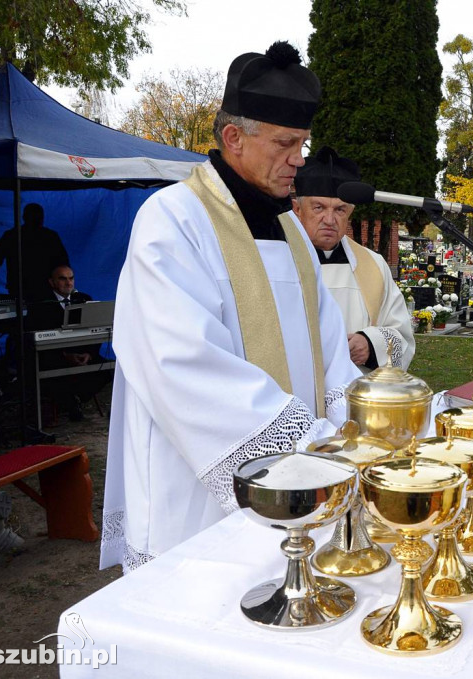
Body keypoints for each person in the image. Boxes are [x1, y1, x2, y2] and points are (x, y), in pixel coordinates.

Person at [100, 42, 359, 573]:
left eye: (303, 144)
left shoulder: (292, 232)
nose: (299, 160)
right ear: (233, 138)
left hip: (308, 471)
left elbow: (328, 347)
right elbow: (182, 365)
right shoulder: (172, 221)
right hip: (194, 493)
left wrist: (342, 435)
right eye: (286, 143)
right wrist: (298, 448)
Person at [292, 146, 415, 372]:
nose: (329, 219)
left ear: (351, 212)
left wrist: (370, 344)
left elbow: (402, 337)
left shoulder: (373, 266)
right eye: (318, 207)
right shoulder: (278, 261)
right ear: (297, 209)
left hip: (357, 398)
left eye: (340, 210)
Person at [27, 265, 108, 421]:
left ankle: (74, 399)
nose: (68, 283)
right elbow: (37, 337)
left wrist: (88, 354)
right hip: (57, 357)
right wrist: (66, 356)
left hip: (83, 356)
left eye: (71, 278)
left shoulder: (84, 299)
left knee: (108, 369)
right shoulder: (41, 304)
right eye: (62, 279)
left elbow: (94, 329)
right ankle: (70, 403)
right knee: (53, 373)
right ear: (52, 282)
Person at [0, 203, 70, 301]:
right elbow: (63, 263)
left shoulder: (12, 235)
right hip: (43, 288)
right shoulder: (50, 237)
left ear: (24, 217)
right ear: (42, 218)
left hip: (22, 288)